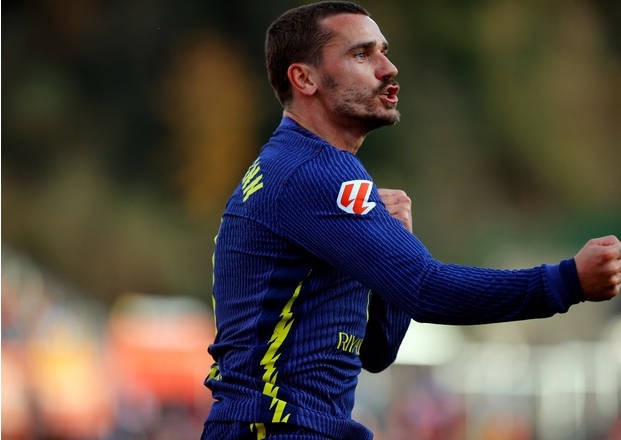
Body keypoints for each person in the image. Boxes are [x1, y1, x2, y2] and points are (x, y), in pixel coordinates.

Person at [201, 2, 621, 439]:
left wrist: (395, 241)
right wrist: (567, 282)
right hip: (277, 427)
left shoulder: (293, 169)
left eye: (383, 52)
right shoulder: (314, 171)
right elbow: (426, 289)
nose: (388, 68)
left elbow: (377, 351)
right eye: (361, 54)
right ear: (304, 78)